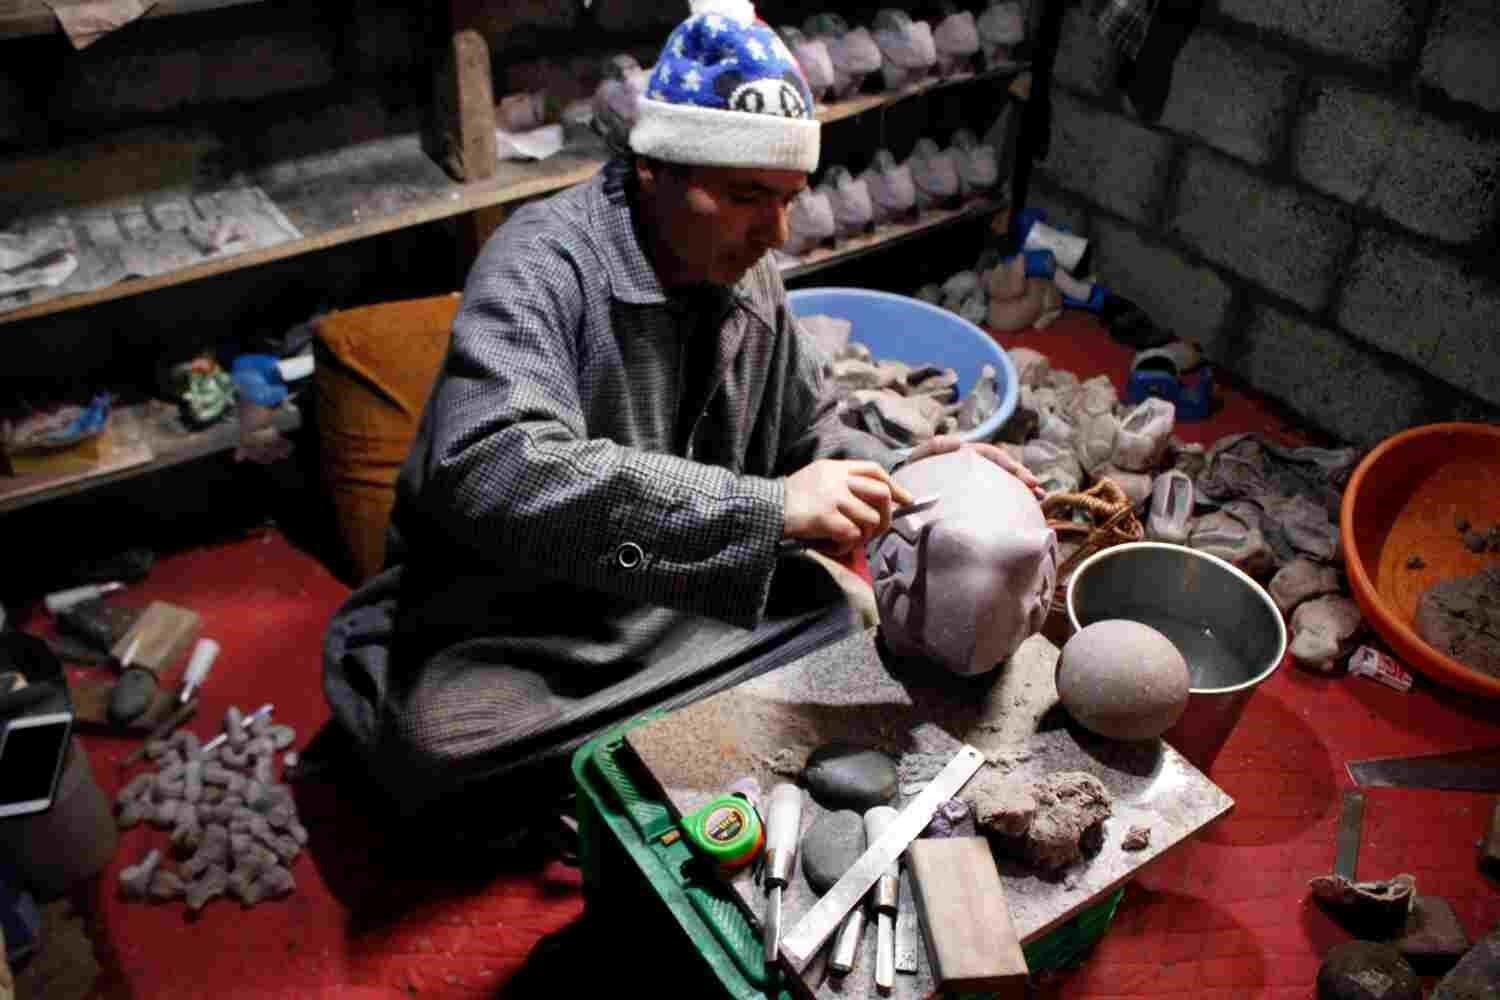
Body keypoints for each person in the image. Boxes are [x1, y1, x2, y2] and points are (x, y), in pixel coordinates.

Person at [322, 0, 1039, 819]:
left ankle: (611, 757)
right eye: (745, 196)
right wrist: (767, 509)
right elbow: (491, 468)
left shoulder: (743, 267)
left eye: (789, 197)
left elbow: (810, 430)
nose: (778, 231)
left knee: (842, 621)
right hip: (516, 614)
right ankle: (638, 743)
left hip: (669, 592)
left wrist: (913, 468)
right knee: (432, 743)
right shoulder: (539, 265)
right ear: (656, 170)